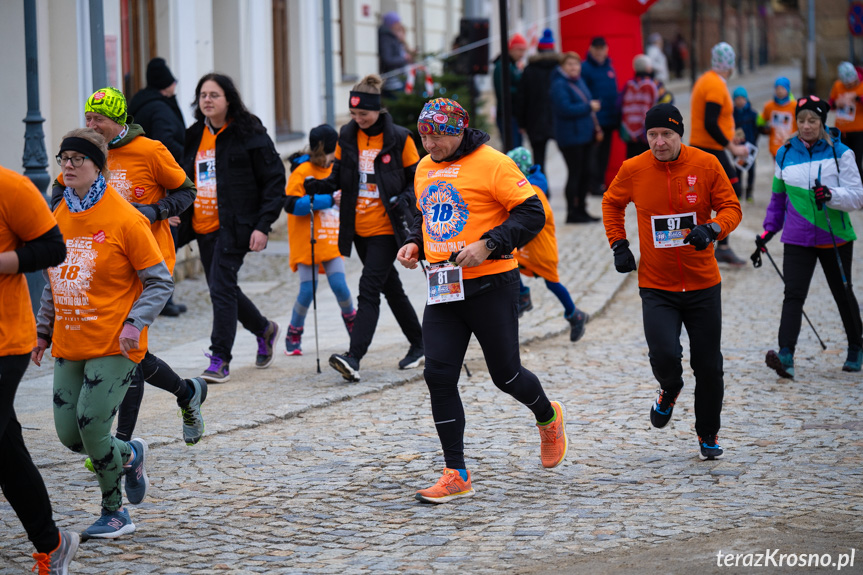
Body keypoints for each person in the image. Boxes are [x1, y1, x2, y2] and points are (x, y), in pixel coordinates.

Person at [397, 98, 568, 503]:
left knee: (505, 375)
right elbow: (427, 217)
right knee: (438, 375)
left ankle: (548, 416)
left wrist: (490, 243)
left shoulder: (494, 163)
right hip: (443, 287)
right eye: (423, 135)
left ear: (458, 131)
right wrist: (413, 244)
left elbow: (531, 214)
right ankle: (456, 473)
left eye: (436, 136)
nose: (428, 144)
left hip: (492, 284)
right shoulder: (423, 168)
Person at [34, 128, 172, 537]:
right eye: (64, 159)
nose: (69, 166)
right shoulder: (57, 217)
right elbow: (53, 281)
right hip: (70, 341)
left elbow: (160, 281)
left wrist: (135, 322)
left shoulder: (125, 217)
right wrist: (42, 333)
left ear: (99, 166)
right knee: (70, 436)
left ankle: (115, 513)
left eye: (79, 159)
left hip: (116, 342)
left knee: (92, 427)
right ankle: (130, 455)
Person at [51, 87, 207, 448]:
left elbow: (186, 191)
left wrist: (155, 211)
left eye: (98, 120)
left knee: (127, 350)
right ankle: (186, 394)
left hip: (146, 264)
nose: (91, 124)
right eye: (88, 117)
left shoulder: (149, 150)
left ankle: (120, 444)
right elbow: (58, 193)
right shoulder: (84, 155)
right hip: (101, 264)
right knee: (131, 355)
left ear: (118, 121)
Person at [602, 104, 742, 460]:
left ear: (681, 135)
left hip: (703, 284)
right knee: (664, 354)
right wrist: (619, 244)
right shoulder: (634, 169)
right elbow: (611, 203)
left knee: (709, 366)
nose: (659, 142)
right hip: (657, 285)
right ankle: (669, 388)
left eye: (667, 135)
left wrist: (712, 229)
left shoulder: (706, 164)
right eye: (652, 135)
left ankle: (707, 433)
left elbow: (731, 208)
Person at [304, 74, 424, 382]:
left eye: (364, 115)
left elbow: (419, 177)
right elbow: (340, 175)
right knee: (391, 288)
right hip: (358, 229)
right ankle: (421, 342)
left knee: (368, 289)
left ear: (377, 109)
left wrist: (404, 198)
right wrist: (316, 185)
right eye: (354, 115)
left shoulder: (399, 137)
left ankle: (354, 357)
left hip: (388, 227)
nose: (359, 120)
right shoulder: (347, 134)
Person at [179, 73, 286, 383]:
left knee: (221, 288)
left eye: (214, 94)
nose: (208, 100)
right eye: (203, 95)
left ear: (229, 99)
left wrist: (263, 225)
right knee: (221, 287)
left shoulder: (249, 132)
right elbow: (180, 179)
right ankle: (265, 329)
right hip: (203, 227)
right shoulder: (193, 135)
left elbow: (274, 181)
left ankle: (219, 358)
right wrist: (175, 211)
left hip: (236, 227)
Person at [0, 165, 77, 573]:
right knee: (6, 451)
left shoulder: (10, 186)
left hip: (4, 340)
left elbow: (53, 248)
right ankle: (53, 543)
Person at [758, 96, 863, 379]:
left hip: (834, 236)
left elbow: (858, 197)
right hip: (796, 237)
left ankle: (856, 347)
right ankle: (786, 355)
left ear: (822, 122)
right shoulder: (784, 153)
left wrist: (831, 195)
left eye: (812, 120)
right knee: (793, 295)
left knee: (842, 293)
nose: (806, 126)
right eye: (801, 120)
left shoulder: (841, 154)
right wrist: (767, 232)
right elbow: (778, 199)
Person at [284, 125, 356, 355]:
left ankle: (355, 328)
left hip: (330, 239)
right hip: (306, 240)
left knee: (340, 287)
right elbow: (293, 205)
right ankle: (294, 331)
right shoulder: (302, 171)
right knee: (308, 290)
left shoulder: (335, 169)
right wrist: (328, 200)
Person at [506, 146, 590, 341]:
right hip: (530, 247)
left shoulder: (534, 190)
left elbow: (537, 218)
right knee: (510, 264)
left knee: (551, 282)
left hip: (541, 248)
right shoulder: (529, 186)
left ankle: (575, 314)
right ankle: (525, 296)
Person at [129, 56, 188, 317]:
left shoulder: (140, 102)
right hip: (160, 182)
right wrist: (183, 164)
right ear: (167, 84)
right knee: (166, 235)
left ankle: (155, 296)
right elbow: (166, 145)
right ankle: (163, 298)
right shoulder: (161, 108)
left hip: (139, 180)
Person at [689, 42, 749, 266]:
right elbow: (710, 122)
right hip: (709, 148)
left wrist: (730, 138)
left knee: (717, 194)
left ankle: (713, 241)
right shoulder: (714, 84)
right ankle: (719, 243)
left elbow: (715, 121)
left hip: (709, 146)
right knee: (731, 191)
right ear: (730, 65)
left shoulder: (709, 80)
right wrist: (731, 147)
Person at [549, 51, 602, 223]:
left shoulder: (578, 80)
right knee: (575, 174)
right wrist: (588, 106)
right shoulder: (559, 84)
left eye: (576, 64)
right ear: (563, 67)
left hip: (584, 135)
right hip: (570, 138)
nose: (574, 68)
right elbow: (564, 109)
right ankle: (572, 212)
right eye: (570, 64)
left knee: (585, 174)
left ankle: (582, 209)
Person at [514, 28, 559, 186]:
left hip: (535, 121)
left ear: (539, 49)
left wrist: (522, 123)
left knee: (538, 160)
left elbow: (522, 99)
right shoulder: (559, 69)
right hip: (558, 120)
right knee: (571, 161)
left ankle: (543, 191)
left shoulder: (529, 70)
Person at [581, 36, 620, 197]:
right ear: (591, 49)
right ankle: (593, 184)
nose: (599, 52)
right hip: (594, 120)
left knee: (604, 155)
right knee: (593, 155)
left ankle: (600, 183)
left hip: (609, 119)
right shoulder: (585, 68)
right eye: (596, 49)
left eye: (602, 48)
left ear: (606, 49)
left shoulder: (609, 67)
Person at [620, 54, 660, 159]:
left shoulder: (629, 84)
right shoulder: (652, 85)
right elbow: (662, 104)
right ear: (648, 68)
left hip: (629, 131)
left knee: (632, 162)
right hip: (645, 131)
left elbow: (619, 105)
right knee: (646, 161)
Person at [829, 62, 863, 179]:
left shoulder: (861, 86)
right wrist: (836, 103)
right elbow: (830, 104)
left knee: (857, 161)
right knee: (842, 161)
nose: (848, 86)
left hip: (859, 131)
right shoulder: (838, 86)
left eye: (851, 83)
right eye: (846, 84)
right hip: (842, 130)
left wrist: (857, 98)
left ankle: (859, 188)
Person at [493, 33, 527, 149]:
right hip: (507, 115)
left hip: (515, 114)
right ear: (511, 49)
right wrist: (522, 91)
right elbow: (502, 90)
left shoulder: (513, 65)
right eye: (519, 50)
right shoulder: (502, 65)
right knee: (512, 148)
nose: (522, 54)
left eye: (524, 50)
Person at [732, 86, 759, 202]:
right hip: (737, 147)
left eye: (742, 98)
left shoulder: (753, 114)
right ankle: (738, 192)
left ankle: (749, 193)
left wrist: (754, 141)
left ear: (746, 99)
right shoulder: (731, 114)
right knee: (737, 170)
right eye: (737, 98)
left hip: (750, 147)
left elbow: (757, 129)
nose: (739, 101)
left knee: (751, 170)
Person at [759, 77, 796, 159]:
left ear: (788, 89)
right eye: (777, 88)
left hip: (791, 146)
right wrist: (763, 128)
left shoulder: (795, 106)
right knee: (778, 170)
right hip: (775, 146)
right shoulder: (769, 106)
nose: (780, 91)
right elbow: (761, 120)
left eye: (782, 88)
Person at [378, 11, 413, 99]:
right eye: (397, 22)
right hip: (392, 83)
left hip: (399, 80)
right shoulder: (386, 38)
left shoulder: (392, 38)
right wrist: (404, 59)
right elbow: (388, 59)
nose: (399, 24)